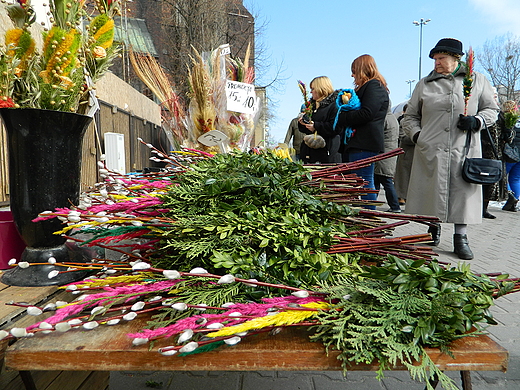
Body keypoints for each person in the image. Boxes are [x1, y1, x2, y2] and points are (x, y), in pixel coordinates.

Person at [402, 38, 499, 260]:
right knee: (431, 190)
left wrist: (477, 121)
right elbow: (410, 116)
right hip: (431, 148)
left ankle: (460, 238)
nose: (436, 62)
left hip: (462, 149)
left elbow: (492, 110)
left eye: (441, 58)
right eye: (435, 59)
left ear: (456, 58)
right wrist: (418, 136)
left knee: (462, 193)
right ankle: (433, 228)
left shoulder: (477, 81)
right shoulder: (424, 84)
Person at [336, 54, 389, 209]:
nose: (352, 75)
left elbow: (367, 113)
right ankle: (366, 215)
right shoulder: (370, 86)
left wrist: (343, 117)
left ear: (362, 70)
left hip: (365, 142)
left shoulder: (374, 86)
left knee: (364, 181)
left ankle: (369, 216)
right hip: (360, 142)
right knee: (361, 181)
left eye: (354, 71)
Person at [298, 76, 342, 163]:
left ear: (321, 89)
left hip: (326, 154)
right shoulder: (311, 106)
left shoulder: (334, 106)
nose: (311, 92)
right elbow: (306, 128)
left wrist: (316, 126)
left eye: (313, 89)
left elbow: (336, 127)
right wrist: (302, 123)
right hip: (309, 154)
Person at [482, 99, 514, 218]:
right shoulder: (487, 115)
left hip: (498, 154)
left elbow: (508, 139)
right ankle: (479, 208)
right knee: (482, 180)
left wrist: (508, 131)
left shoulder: (503, 118)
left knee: (492, 183)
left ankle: (484, 208)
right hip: (485, 152)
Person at [374, 104, 401, 212]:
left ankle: (395, 206)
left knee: (386, 181)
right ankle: (372, 204)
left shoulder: (384, 119)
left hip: (383, 155)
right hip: (390, 154)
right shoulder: (392, 118)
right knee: (379, 180)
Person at [394, 103, 414, 206]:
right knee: (403, 177)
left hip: (414, 154)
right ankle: (401, 196)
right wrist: (417, 137)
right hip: (405, 153)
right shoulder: (403, 121)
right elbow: (402, 137)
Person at [502, 101, 520, 212]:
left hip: (511, 154)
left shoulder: (509, 121)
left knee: (502, 177)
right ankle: (514, 203)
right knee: (515, 179)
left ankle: (510, 197)